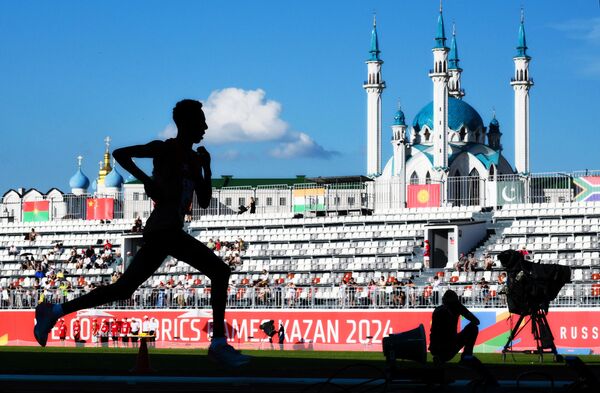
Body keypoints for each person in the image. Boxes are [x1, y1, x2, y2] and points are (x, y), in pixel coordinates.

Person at [33, 99, 250, 367]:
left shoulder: (194, 160)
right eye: (201, 121)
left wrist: (206, 167)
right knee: (220, 271)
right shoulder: (164, 149)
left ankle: (54, 311)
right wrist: (146, 180)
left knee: (124, 289)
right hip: (162, 230)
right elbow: (121, 154)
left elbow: (204, 200)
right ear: (187, 123)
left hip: (167, 231)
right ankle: (218, 343)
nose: (205, 126)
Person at [429, 289, 480, 364]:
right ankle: (467, 357)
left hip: (435, 349)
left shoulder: (437, 309)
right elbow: (476, 321)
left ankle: (440, 358)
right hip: (449, 347)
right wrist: (461, 309)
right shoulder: (456, 307)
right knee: (473, 327)